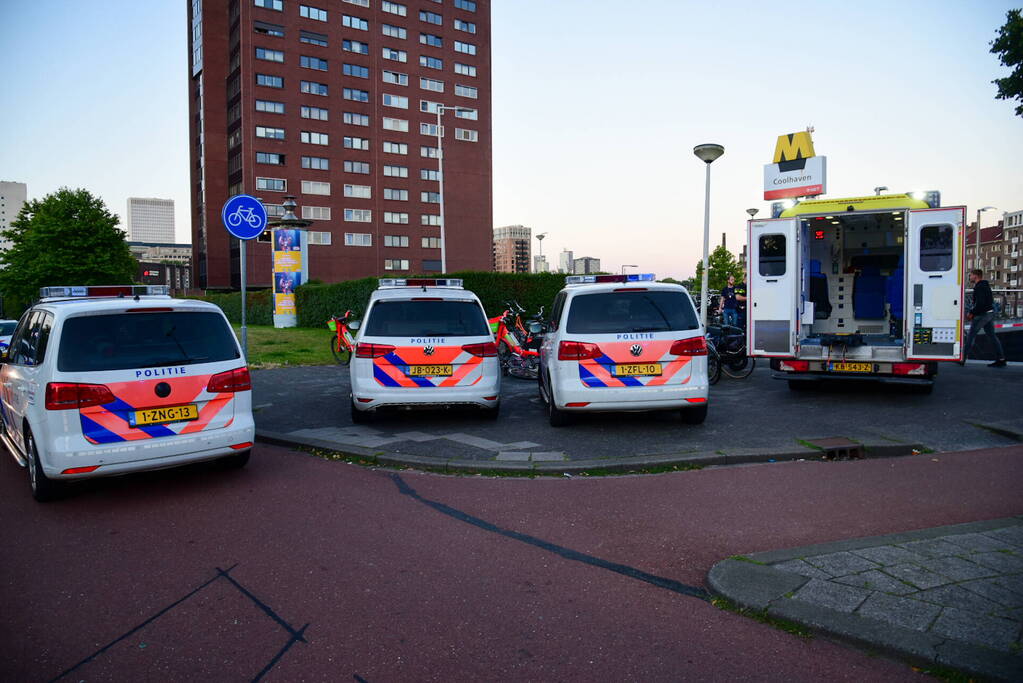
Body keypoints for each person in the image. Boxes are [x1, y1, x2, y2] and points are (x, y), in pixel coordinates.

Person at [962, 269, 1006, 367]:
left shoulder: (979, 287)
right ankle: (1001, 359)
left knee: (971, 336)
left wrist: (972, 313)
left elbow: (980, 303)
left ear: (976, 276)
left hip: (982, 315)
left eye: (971, 275)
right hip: (989, 313)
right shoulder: (985, 285)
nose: (970, 277)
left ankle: (962, 358)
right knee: (992, 336)